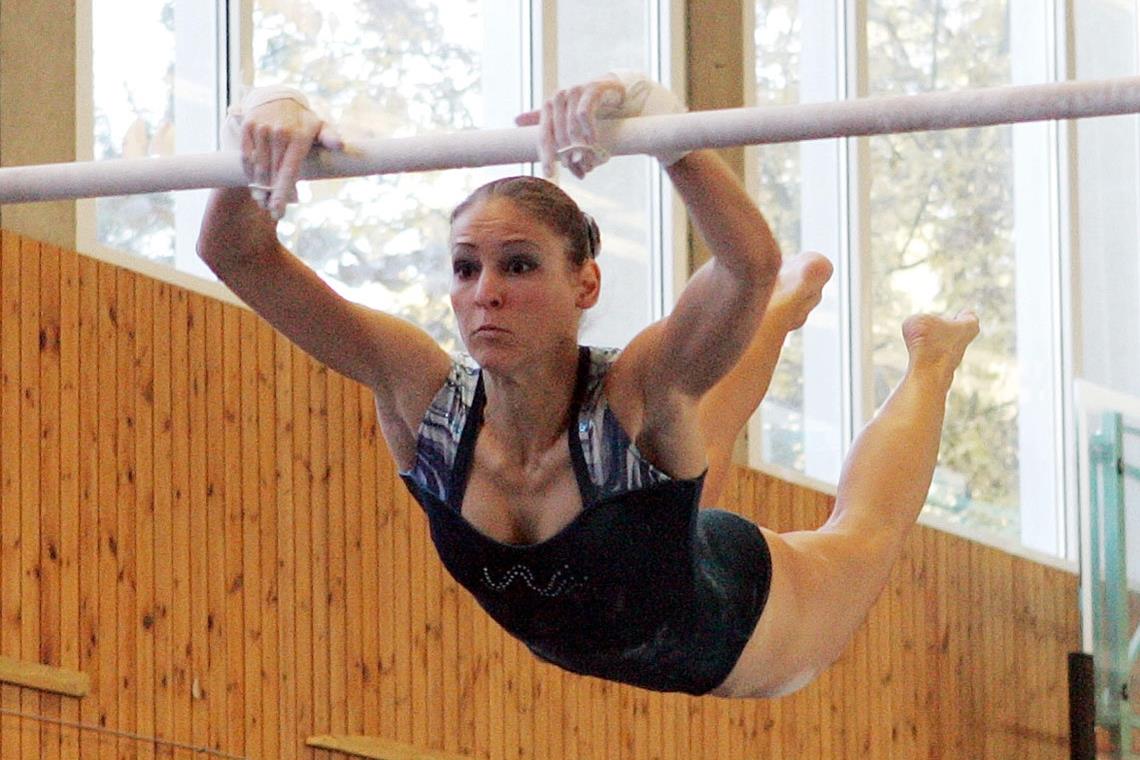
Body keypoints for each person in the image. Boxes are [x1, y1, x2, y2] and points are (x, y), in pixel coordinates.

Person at [197, 72, 979, 698]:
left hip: (739, 630)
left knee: (859, 529)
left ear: (586, 283)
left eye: (520, 264)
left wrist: (671, 134)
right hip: (644, 529)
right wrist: (264, 125)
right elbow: (241, 257)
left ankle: (932, 359)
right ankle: (783, 313)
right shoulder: (421, 398)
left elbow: (745, 264)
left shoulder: (632, 389)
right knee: (686, 417)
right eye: (466, 267)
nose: (485, 292)